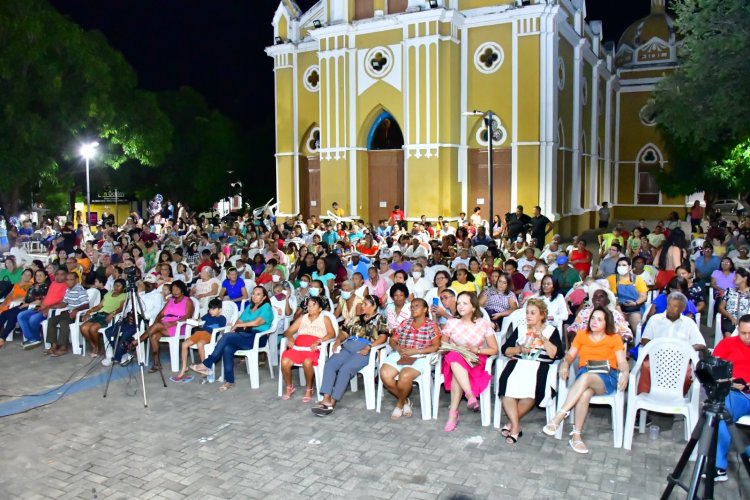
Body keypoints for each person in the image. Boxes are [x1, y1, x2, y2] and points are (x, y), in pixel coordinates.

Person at [543, 306, 628, 454]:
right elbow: (570, 355)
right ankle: (576, 436)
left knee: (586, 377)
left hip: (606, 377)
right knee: (584, 393)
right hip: (585, 375)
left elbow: (621, 362)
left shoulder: (614, 338)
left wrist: (626, 372)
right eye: (593, 318)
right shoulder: (582, 335)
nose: (594, 321)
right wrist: (565, 363)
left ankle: (560, 415)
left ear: (606, 323)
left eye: (599, 319)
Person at [497, 298, 563, 444]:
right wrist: (520, 349)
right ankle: (515, 427)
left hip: (539, 366)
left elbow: (556, 354)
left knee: (532, 390)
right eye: (527, 312)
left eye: (533, 313)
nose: (528, 316)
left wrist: (543, 338)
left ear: (542, 315)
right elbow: (505, 350)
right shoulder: (520, 329)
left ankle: (512, 425)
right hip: (519, 363)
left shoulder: (551, 331)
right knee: (506, 388)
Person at [312, 295, 389, 416]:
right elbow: (344, 332)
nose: (362, 306)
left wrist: (369, 347)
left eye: (365, 304)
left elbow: (383, 337)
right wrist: (338, 341)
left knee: (345, 370)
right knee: (330, 364)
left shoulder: (381, 319)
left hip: (364, 350)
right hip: (347, 347)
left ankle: (333, 401)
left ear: (374, 306)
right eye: (362, 303)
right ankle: (326, 398)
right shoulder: (357, 318)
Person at [191, 286, 273, 391]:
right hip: (245, 335)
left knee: (227, 337)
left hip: (257, 337)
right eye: (253, 293)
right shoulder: (249, 307)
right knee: (227, 348)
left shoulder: (266, 307)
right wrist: (235, 328)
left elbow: (257, 322)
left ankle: (207, 363)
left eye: (258, 294)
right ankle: (229, 381)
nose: (254, 296)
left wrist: (243, 325)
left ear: (264, 297)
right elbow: (239, 321)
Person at [439, 292, 499, 431]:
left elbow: (494, 350)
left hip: (475, 361)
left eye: (465, 303)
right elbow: (443, 346)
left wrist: (476, 350)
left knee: (456, 372)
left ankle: (453, 414)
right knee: (454, 356)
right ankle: (469, 394)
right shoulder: (451, 322)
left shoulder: (483, 324)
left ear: (473, 307)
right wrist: (455, 348)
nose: (460, 306)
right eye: (459, 303)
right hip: (454, 360)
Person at [380, 298, 441, 420]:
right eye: (412, 306)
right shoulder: (405, 323)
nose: (413, 308)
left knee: (404, 375)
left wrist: (416, 351)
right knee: (384, 373)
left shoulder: (431, 325)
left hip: (421, 356)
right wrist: (398, 348)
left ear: (425, 309)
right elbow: (392, 340)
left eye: (417, 306)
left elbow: (436, 346)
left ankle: (399, 404)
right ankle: (405, 400)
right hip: (401, 353)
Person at [711, 314, 750, 482]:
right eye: (743, 333)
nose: (747, 337)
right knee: (722, 411)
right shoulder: (727, 344)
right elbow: (714, 368)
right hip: (737, 394)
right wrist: (730, 383)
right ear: (738, 331)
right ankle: (719, 467)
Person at [280, 295, 336, 402]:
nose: (310, 308)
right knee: (285, 361)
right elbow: (288, 331)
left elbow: (331, 334)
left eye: (313, 306)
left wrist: (320, 340)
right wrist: (291, 338)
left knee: (307, 362)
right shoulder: (303, 317)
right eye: (309, 306)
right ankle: (289, 387)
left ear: (320, 308)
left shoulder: (325, 318)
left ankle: (309, 388)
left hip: (313, 348)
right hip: (298, 347)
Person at [170, 298, 228, 383]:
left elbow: (221, 330)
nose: (211, 311)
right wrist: (194, 321)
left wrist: (227, 327)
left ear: (219, 310)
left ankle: (204, 366)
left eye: (213, 309)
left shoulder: (222, 318)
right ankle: (183, 368)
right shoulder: (208, 315)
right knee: (184, 344)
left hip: (210, 335)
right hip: (199, 333)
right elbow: (200, 321)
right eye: (210, 309)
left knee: (200, 344)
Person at [144, 280, 195, 372]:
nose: (175, 291)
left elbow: (188, 316)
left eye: (177, 289)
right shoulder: (170, 300)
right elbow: (161, 313)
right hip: (164, 325)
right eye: (173, 289)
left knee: (157, 326)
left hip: (179, 326)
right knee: (154, 336)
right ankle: (156, 364)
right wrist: (156, 322)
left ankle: (136, 342)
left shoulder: (188, 301)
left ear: (182, 290)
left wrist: (173, 323)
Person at [75, 279, 128, 357]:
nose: (116, 287)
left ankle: (98, 347)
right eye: (115, 285)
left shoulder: (124, 296)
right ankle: (94, 346)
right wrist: (89, 311)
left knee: (93, 329)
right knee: (83, 327)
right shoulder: (108, 294)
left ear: (123, 288)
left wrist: (112, 313)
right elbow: (99, 306)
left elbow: (121, 308)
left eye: (119, 286)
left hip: (109, 316)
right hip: (100, 314)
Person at [18, 268, 68, 350]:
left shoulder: (66, 285)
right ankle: (32, 338)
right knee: (21, 315)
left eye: (62, 274)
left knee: (33, 319)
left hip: (51, 310)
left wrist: (47, 308)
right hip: (42, 306)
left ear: (66, 276)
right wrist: (41, 306)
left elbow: (62, 302)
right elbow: (47, 298)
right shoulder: (53, 283)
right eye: (57, 274)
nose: (59, 276)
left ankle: (36, 338)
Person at [567, 284, 632, 343]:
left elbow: (627, 333)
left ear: (607, 301)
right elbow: (573, 328)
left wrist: (622, 340)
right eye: (595, 296)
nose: (597, 299)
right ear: (592, 300)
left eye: (601, 296)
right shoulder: (584, 312)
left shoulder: (615, 314)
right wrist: (573, 338)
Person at [607, 257, 648, 335]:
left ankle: (638, 343)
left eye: (624, 265)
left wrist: (636, 303)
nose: (621, 267)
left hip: (634, 308)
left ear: (629, 267)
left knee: (636, 324)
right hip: (616, 308)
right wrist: (618, 309)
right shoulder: (611, 279)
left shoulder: (638, 279)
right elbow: (609, 295)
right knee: (616, 325)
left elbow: (643, 296)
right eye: (619, 265)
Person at [717, 267, 750, 337]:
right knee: (728, 332)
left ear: (745, 278)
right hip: (730, 319)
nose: (734, 278)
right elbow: (721, 308)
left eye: (736, 276)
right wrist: (731, 317)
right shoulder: (729, 291)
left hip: (747, 320)